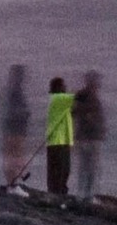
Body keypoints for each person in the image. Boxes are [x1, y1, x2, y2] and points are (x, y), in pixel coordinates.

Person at [74, 69, 107, 204]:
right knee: (91, 168)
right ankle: (88, 195)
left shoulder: (80, 97)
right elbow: (91, 119)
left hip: (83, 138)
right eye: (95, 82)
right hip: (90, 138)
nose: (97, 85)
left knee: (84, 167)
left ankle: (82, 194)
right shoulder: (90, 98)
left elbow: (74, 113)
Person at [43, 73, 76, 203]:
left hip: (61, 141)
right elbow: (78, 97)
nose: (65, 87)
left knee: (62, 169)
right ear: (58, 88)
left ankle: (58, 193)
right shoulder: (58, 99)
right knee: (60, 169)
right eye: (63, 86)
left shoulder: (59, 101)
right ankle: (57, 194)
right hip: (58, 141)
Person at [0, 63, 31, 194]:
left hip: (10, 130)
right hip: (16, 131)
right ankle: (13, 185)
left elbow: (4, 110)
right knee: (15, 158)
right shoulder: (15, 92)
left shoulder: (7, 91)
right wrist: (25, 113)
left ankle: (12, 184)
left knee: (11, 158)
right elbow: (14, 111)